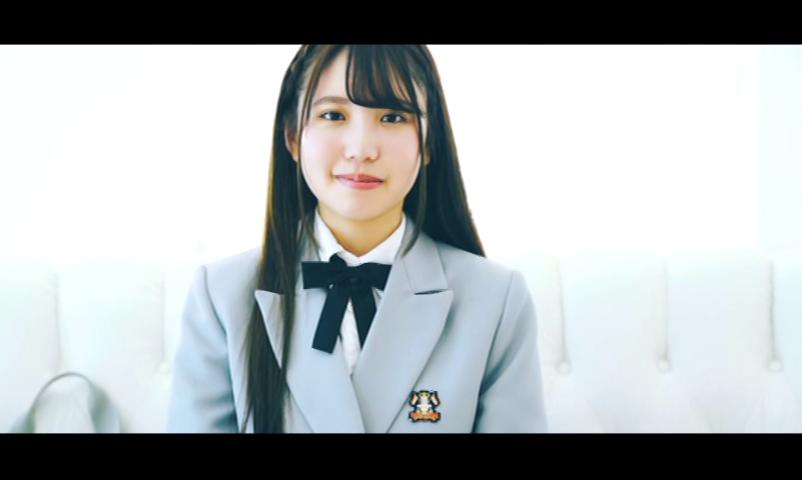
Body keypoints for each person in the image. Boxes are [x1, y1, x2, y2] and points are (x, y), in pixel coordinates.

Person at [167, 45, 548, 433]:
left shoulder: (496, 300)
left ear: (429, 143)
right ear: (292, 136)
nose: (361, 149)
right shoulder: (221, 296)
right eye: (334, 115)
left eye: (393, 117)